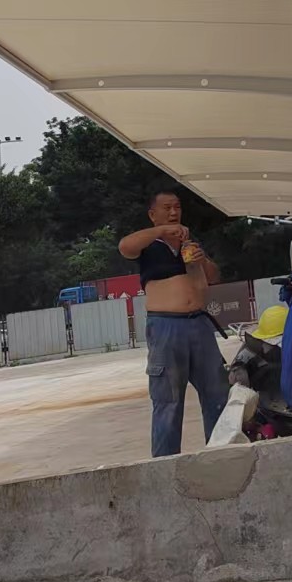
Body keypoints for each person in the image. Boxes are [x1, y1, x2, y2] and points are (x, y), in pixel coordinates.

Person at [119, 187, 231, 457]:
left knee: (217, 394)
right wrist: (160, 232)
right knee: (168, 400)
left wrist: (202, 260)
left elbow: (214, 276)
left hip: (199, 324)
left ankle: (221, 454)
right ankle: (165, 463)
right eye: (167, 208)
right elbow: (125, 247)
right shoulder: (148, 245)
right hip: (166, 326)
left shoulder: (190, 244)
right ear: (153, 214)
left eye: (177, 207)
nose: (173, 212)